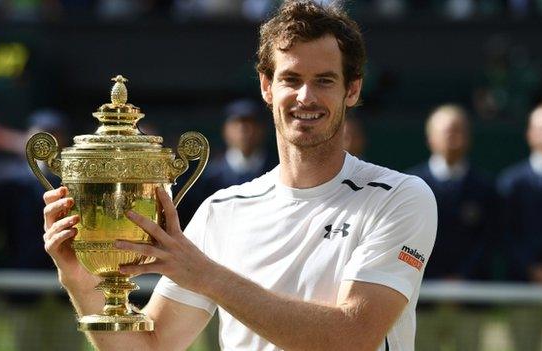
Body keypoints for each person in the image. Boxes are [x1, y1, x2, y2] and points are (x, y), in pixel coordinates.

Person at [42, 1, 437, 350]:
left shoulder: (399, 196)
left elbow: (352, 339)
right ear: (267, 87)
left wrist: (207, 276)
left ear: (352, 90)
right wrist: (78, 277)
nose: (306, 97)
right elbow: (152, 346)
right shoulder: (222, 210)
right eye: (291, 79)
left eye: (324, 81)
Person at [407, 104, 497, 350]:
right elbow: (406, 243)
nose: (453, 137)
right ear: (430, 138)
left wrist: (462, 280)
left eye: (459, 131)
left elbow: (488, 240)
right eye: (447, 131)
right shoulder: (410, 187)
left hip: (469, 300)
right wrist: (436, 280)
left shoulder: (485, 188)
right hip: (421, 300)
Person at [497, 100, 542, 350]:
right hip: (522, 289)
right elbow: (504, 234)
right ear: (530, 134)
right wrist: (531, 269)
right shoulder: (511, 183)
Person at [177, 98, 276, 227]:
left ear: (261, 129)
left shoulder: (279, 171)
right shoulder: (207, 177)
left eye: (250, 123)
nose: (243, 129)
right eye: (236, 123)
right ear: (225, 130)